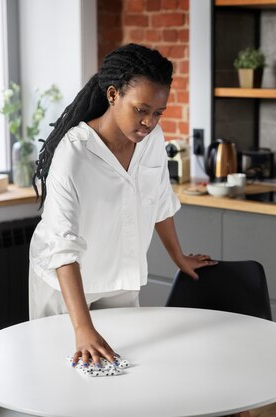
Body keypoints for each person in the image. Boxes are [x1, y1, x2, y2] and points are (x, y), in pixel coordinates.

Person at [29, 43, 215, 369]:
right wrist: (83, 327)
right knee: (64, 378)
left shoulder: (152, 141)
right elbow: (63, 247)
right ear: (113, 95)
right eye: (141, 109)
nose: (149, 122)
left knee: (124, 373)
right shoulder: (75, 153)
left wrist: (178, 256)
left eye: (158, 113)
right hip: (65, 286)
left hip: (119, 276)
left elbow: (158, 200)